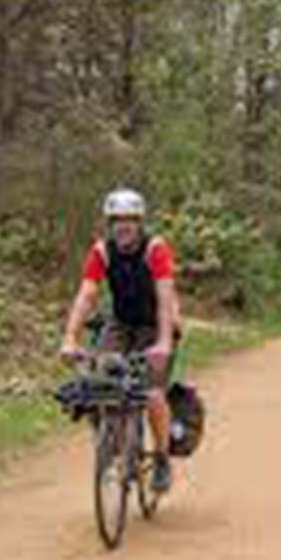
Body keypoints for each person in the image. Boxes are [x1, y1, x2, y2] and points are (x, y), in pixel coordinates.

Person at [60, 188, 181, 493]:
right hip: (121, 322)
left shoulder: (156, 248)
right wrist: (70, 338)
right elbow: (87, 293)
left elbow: (166, 297)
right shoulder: (102, 251)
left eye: (130, 220)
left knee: (152, 392)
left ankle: (163, 459)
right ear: (109, 223)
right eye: (117, 220)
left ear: (140, 222)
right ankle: (112, 441)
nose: (123, 226)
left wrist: (164, 341)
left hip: (155, 323)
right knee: (96, 384)